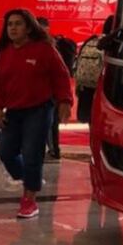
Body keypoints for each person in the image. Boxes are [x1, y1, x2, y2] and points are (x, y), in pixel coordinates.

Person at [0, 9, 73, 219]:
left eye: (18, 24)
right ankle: (30, 178)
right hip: (14, 112)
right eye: (10, 24)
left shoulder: (44, 50)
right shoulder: (4, 53)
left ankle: (29, 200)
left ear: (29, 27)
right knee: (6, 152)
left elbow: (61, 76)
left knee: (32, 155)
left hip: (39, 110)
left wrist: (65, 101)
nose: (13, 28)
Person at [36, 17, 76, 160]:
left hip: (49, 93)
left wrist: (66, 99)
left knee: (50, 122)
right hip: (46, 93)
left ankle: (53, 150)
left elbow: (61, 75)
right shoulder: (43, 46)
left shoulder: (50, 49)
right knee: (48, 122)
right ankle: (50, 150)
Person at [74, 16, 114, 123]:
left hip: (86, 86)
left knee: (90, 119)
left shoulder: (91, 40)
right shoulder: (113, 43)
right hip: (103, 88)